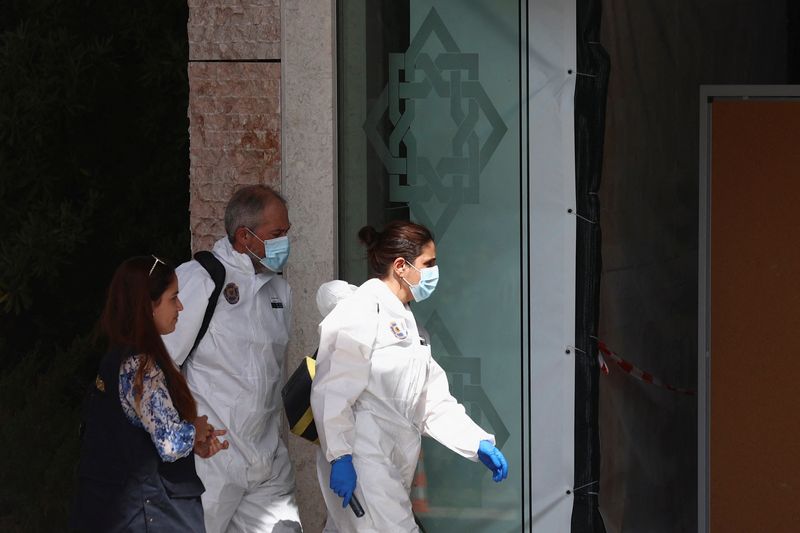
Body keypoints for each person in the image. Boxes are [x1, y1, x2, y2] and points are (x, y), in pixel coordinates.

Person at [310, 221, 509, 533]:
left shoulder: (414, 331)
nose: (434, 272)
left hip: (390, 460)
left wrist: (476, 442)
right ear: (401, 266)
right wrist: (340, 456)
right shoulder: (362, 310)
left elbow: (432, 403)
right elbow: (333, 388)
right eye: (428, 264)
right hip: (362, 456)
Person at [162, 185, 302, 533]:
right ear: (245, 236)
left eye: (286, 232)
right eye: (276, 234)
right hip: (211, 461)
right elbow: (159, 365)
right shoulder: (200, 281)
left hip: (266, 458)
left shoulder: (279, 291)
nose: (284, 241)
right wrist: (178, 433)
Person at [72, 255, 229, 532]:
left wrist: (194, 441)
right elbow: (168, 443)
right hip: (148, 514)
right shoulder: (141, 366)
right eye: (173, 298)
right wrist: (196, 430)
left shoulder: (118, 357)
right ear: (148, 305)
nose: (180, 306)